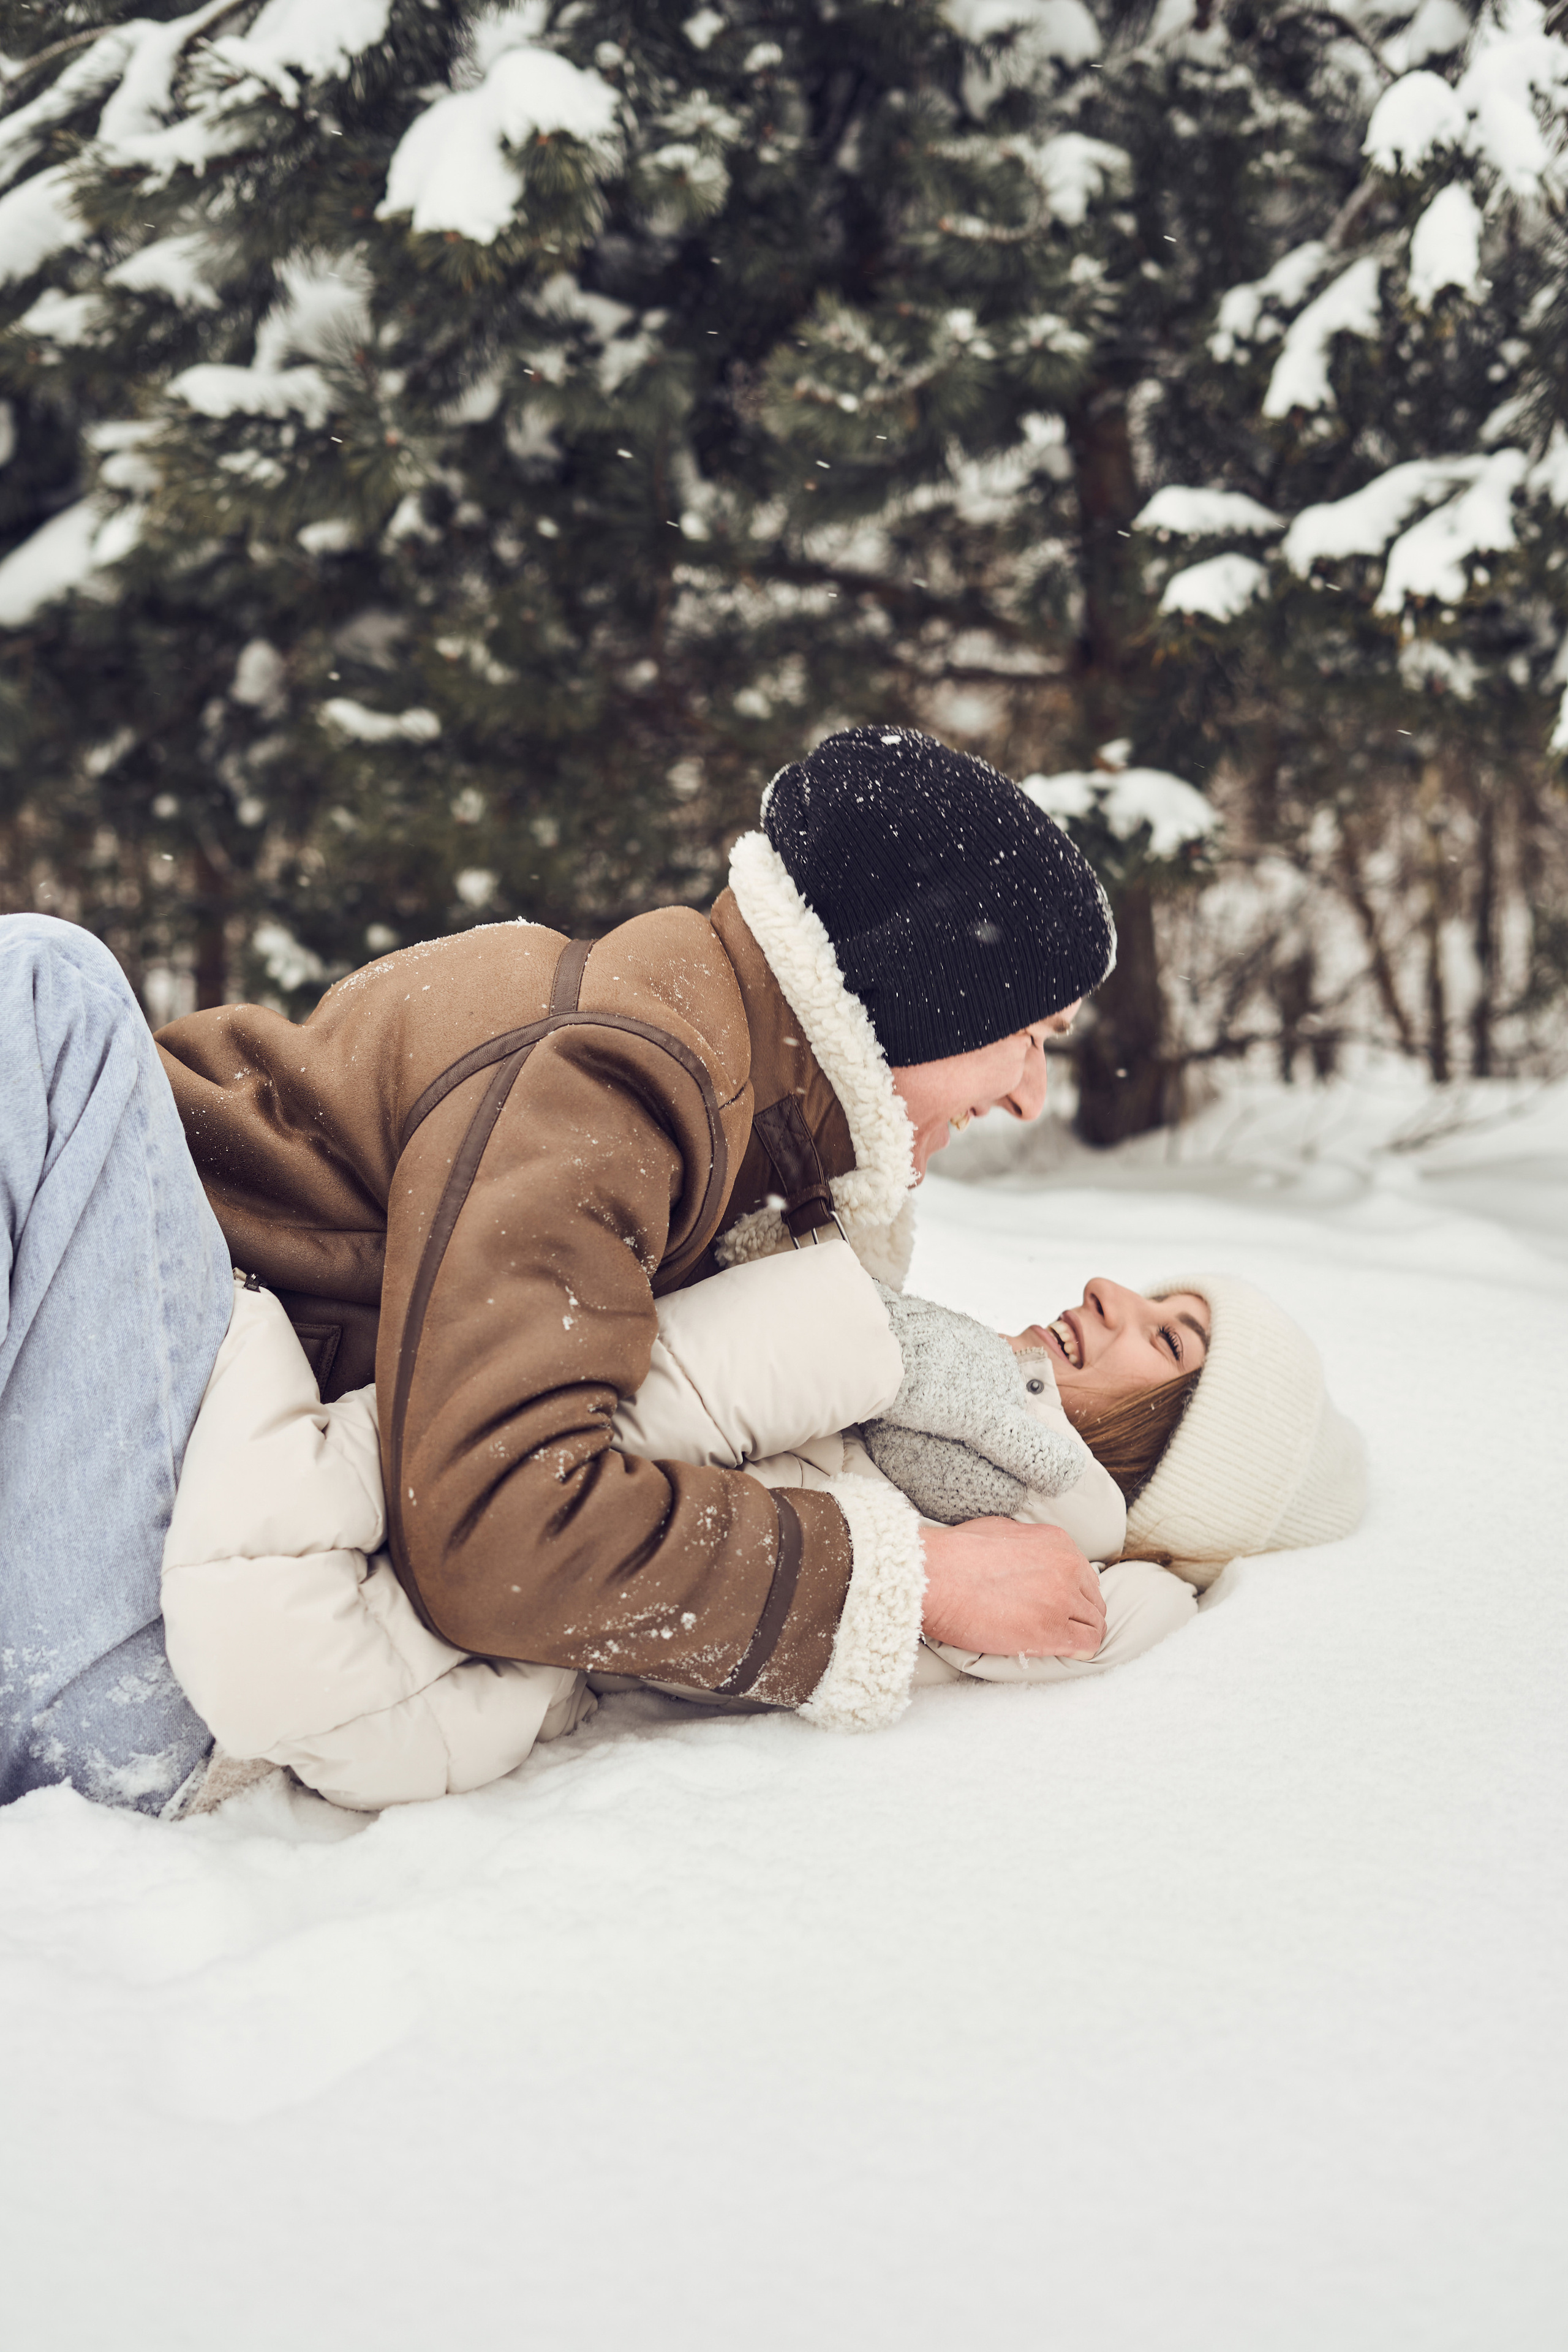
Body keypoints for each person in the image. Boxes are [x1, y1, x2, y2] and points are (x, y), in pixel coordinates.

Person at [154, 727, 1118, 1749]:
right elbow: (501, 1532)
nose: (1030, 1096)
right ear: (925, 998)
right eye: (1030, 1034)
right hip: (101, 1302)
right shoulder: (620, 1074)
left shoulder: (728, 1109)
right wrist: (903, 1578)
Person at [158, 1243, 1365, 1813]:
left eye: (1163, 1339)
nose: (1108, 1291)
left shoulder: (1015, 1533)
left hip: (271, 1619)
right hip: (279, 1572)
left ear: (1172, 1466)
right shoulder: (938, 1428)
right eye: (1156, 1298)